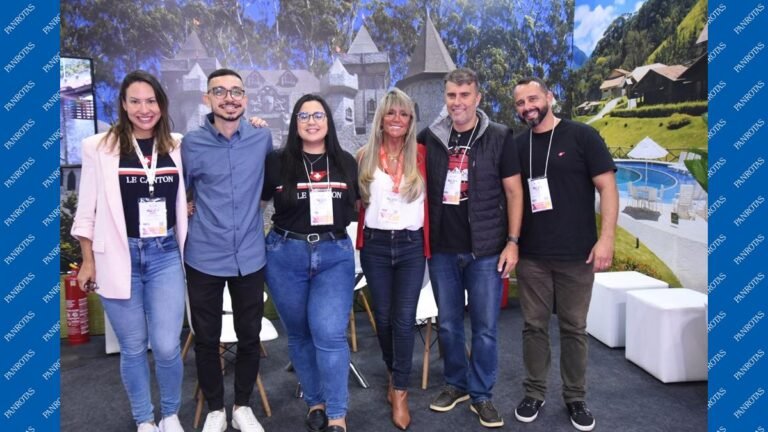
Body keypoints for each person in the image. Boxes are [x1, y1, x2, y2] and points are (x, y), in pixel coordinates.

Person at [71, 70, 188, 432]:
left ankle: (170, 415)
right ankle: (145, 419)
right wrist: (88, 261)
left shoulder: (177, 145)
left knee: (167, 346)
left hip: (165, 254)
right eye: (135, 101)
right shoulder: (99, 147)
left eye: (150, 101)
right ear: (123, 104)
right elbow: (86, 210)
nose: (143, 109)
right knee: (133, 347)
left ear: (161, 105)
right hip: (117, 256)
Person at [510, 77, 618, 432]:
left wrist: (607, 239)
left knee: (574, 328)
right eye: (520, 103)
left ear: (549, 97)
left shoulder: (582, 136)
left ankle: (575, 397)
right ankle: (534, 392)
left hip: (577, 255)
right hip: (533, 256)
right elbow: (512, 196)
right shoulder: (518, 144)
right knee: (533, 327)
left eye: (533, 99)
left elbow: (608, 187)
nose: (527, 107)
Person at [418, 67, 523, 428]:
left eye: (465, 95)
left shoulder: (499, 136)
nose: (457, 102)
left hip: (486, 251)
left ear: (478, 98)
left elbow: (514, 192)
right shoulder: (431, 137)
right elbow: (395, 152)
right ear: (445, 98)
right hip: (443, 250)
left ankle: (481, 395)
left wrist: (513, 242)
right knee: (448, 325)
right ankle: (456, 384)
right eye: (451, 95)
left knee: (485, 328)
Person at [182, 68, 272, 432]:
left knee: (249, 336)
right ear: (207, 98)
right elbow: (179, 191)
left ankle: (242, 406)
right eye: (219, 91)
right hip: (204, 255)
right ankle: (216, 409)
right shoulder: (191, 144)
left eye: (236, 91)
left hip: (250, 254)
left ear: (245, 99)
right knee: (207, 339)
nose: (229, 98)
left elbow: (268, 188)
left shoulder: (262, 137)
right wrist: (185, 205)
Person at [261, 94, 358, 432]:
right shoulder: (277, 162)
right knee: (300, 334)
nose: (311, 122)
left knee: (329, 333)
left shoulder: (346, 162)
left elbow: (357, 206)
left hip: (334, 256)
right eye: (304, 116)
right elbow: (257, 205)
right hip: (284, 255)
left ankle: (337, 414)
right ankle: (315, 402)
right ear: (295, 122)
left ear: (328, 121)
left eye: (318, 115)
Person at [355, 89, 429, 430]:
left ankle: (400, 390)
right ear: (381, 118)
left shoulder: (423, 155)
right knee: (383, 318)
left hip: (411, 246)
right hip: (376, 246)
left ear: (411, 121)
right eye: (391, 113)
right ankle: (392, 370)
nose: (397, 119)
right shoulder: (364, 156)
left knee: (403, 319)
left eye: (404, 114)